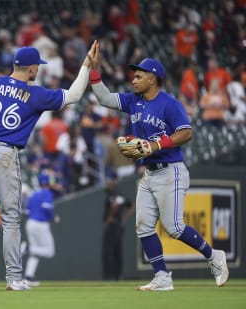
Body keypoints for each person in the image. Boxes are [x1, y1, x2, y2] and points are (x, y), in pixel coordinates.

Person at [0, 41, 99, 291]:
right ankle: (14, 278)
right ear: (33, 68)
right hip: (4, 154)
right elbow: (74, 95)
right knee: (11, 219)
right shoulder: (35, 93)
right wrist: (86, 64)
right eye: (38, 67)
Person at [87, 47, 229, 290]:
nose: (134, 79)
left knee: (173, 227)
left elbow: (186, 133)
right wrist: (94, 71)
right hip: (149, 172)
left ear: (152, 79)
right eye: (134, 75)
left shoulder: (169, 104)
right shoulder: (134, 100)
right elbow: (104, 98)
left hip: (171, 169)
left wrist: (155, 145)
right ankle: (162, 276)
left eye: (139, 75)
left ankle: (214, 256)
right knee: (143, 225)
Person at [23, 171, 60, 286]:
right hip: (40, 224)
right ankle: (26, 248)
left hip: (30, 223)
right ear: (46, 182)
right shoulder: (47, 193)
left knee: (36, 253)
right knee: (49, 252)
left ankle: (28, 277)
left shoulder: (34, 194)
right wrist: (54, 217)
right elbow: (46, 208)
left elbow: (27, 211)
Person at [102, 176, 134, 280]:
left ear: (113, 184)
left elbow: (115, 205)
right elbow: (131, 206)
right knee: (117, 252)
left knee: (109, 252)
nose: (107, 184)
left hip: (113, 226)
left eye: (109, 182)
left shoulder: (113, 194)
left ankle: (110, 276)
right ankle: (118, 275)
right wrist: (124, 218)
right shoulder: (120, 195)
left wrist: (109, 218)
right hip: (119, 226)